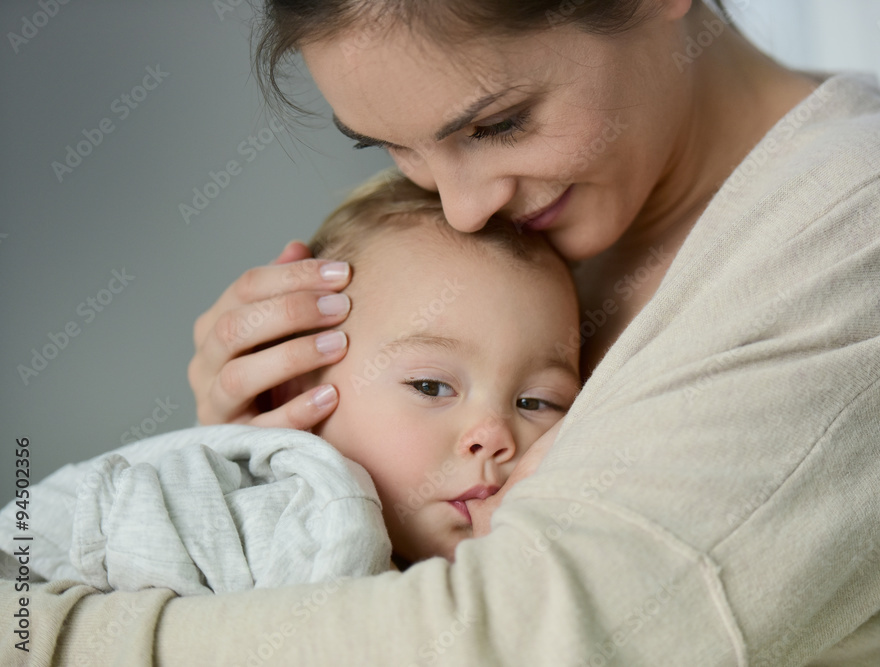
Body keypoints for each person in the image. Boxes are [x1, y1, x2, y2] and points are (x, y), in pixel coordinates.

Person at [4, 0, 880, 664]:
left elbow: (520, 639)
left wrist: (52, 637)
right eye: (392, 146)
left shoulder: (868, 223)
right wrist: (256, 475)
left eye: (499, 124)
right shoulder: (490, 208)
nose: (462, 205)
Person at [0, 172, 580, 595]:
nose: (493, 434)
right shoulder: (263, 515)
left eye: (538, 402)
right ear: (293, 395)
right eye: (431, 387)